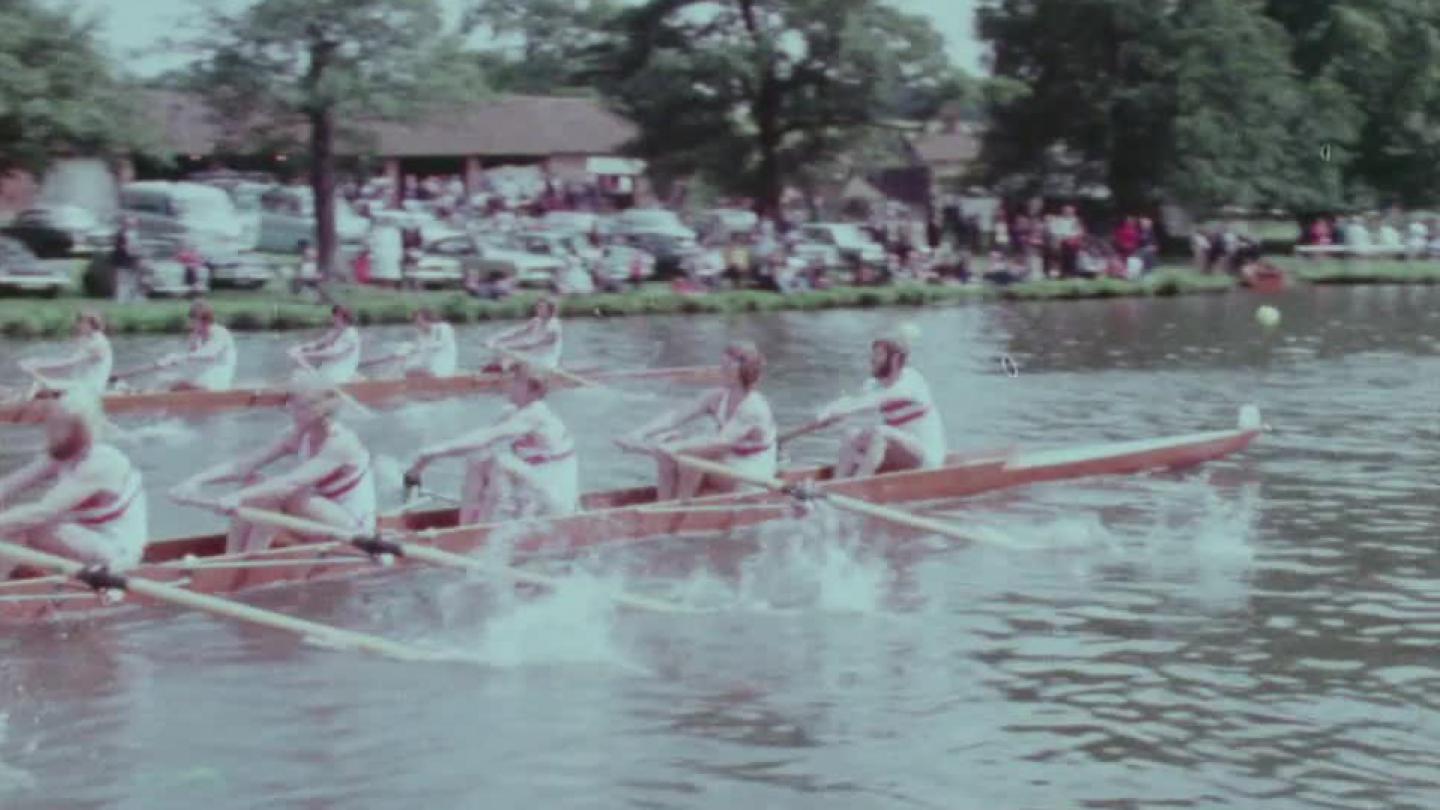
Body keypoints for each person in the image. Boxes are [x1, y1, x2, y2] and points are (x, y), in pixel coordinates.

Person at [171, 386, 375, 554]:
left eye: (297, 406)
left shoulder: (341, 444)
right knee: (255, 482)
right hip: (314, 519)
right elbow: (243, 466)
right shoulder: (296, 435)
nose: (288, 409)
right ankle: (233, 558)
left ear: (319, 412)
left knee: (282, 492)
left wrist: (236, 496)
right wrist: (195, 481)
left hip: (353, 529)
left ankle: (250, 563)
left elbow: (291, 483)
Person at [404, 363, 578, 523]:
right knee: (477, 457)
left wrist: (432, 453)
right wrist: (425, 460)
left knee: (502, 462)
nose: (509, 387)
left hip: (558, 501)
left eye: (516, 382)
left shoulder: (536, 413)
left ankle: (482, 531)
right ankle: (466, 528)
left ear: (533, 390)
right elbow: (479, 438)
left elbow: (485, 438)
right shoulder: (513, 412)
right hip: (537, 491)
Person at [0, 393, 147, 579]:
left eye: (55, 425)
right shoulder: (64, 452)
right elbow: (8, 485)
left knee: (29, 523)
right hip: (89, 540)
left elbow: (42, 511)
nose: (47, 430)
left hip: (118, 556)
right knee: (14, 519)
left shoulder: (100, 463)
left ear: (77, 427)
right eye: (49, 422)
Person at [615, 341, 776, 500]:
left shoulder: (753, 407)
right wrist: (638, 434)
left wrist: (671, 448)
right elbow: (675, 417)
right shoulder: (717, 396)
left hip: (750, 474)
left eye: (727, 367)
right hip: (726, 463)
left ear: (744, 371)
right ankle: (665, 504)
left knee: (692, 455)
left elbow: (718, 443)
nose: (721, 371)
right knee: (671, 441)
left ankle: (681, 507)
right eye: (722, 366)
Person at [809, 323, 946, 478]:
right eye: (873, 354)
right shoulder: (873, 385)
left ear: (895, 359)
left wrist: (839, 410)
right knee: (851, 435)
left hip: (927, 459)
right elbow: (852, 401)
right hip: (899, 452)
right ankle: (836, 484)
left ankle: (859, 484)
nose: (872, 359)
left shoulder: (912, 382)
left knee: (880, 433)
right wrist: (826, 412)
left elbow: (869, 402)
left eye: (879, 355)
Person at [112, 300, 237, 391]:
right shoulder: (196, 336)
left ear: (205, 320)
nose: (191, 323)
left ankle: (144, 398)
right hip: (202, 377)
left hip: (217, 381)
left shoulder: (219, 333)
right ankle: (135, 391)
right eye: (191, 319)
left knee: (175, 384)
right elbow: (191, 360)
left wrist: (179, 357)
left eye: (194, 319)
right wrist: (166, 362)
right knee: (163, 379)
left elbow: (208, 354)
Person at [20, 311, 113, 397]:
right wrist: (38, 363)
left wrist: (38, 368)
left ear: (91, 325)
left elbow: (70, 365)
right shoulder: (86, 340)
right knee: (39, 384)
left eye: (81, 323)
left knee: (42, 384)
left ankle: (21, 407)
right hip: (80, 383)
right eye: (79, 322)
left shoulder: (99, 344)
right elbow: (66, 360)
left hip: (91, 387)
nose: (78, 326)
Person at [363, 308, 456, 378]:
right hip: (430, 364)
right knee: (407, 369)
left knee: (414, 368)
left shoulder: (443, 328)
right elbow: (417, 348)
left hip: (444, 364)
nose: (417, 325)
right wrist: (400, 353)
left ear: (429, 320)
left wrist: (413, 350)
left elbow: (437, 344)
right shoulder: (421, 333)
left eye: (419, 321)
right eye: (416, 322)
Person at [482, 297, 562, 372]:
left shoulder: (554, 328)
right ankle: (496, 372)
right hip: (533, 357)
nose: (537, 309)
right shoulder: (536, 321)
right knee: (500, 358)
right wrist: (495, 338)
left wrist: (506, 346)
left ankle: (500, 373)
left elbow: (532, 345)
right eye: (537, 307)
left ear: (550, 310)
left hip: (545, 362)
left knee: (508, 358)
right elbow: (516, 332)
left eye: (541, 307)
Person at [290, 305, 361, 384]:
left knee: (299, 376)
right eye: (334, 315)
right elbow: (317, 344)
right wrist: (300, 348)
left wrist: (305, 355)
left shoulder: (350, 334)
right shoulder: (334, 332)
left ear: (343, 317)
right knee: (297, 374)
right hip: (328, 372)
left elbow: (332, 353)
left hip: (340, 375)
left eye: (335, 316)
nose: (333, 318)